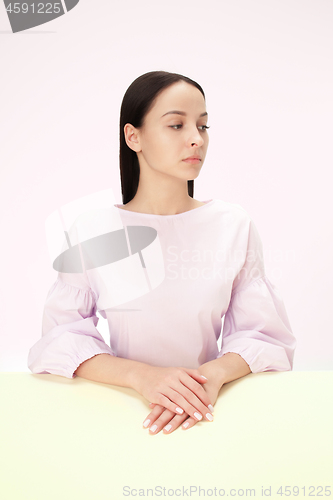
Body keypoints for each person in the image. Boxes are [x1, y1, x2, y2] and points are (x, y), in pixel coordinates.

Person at [28, 70, 297, 436]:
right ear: (133, 136)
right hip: (118, 416)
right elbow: (60, 339)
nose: (195, 140)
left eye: (202, 126)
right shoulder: (93, 230)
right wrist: (142, 377)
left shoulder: (233, 224)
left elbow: (263, 336)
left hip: (210, 416)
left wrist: (211, 376)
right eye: (176, 125)